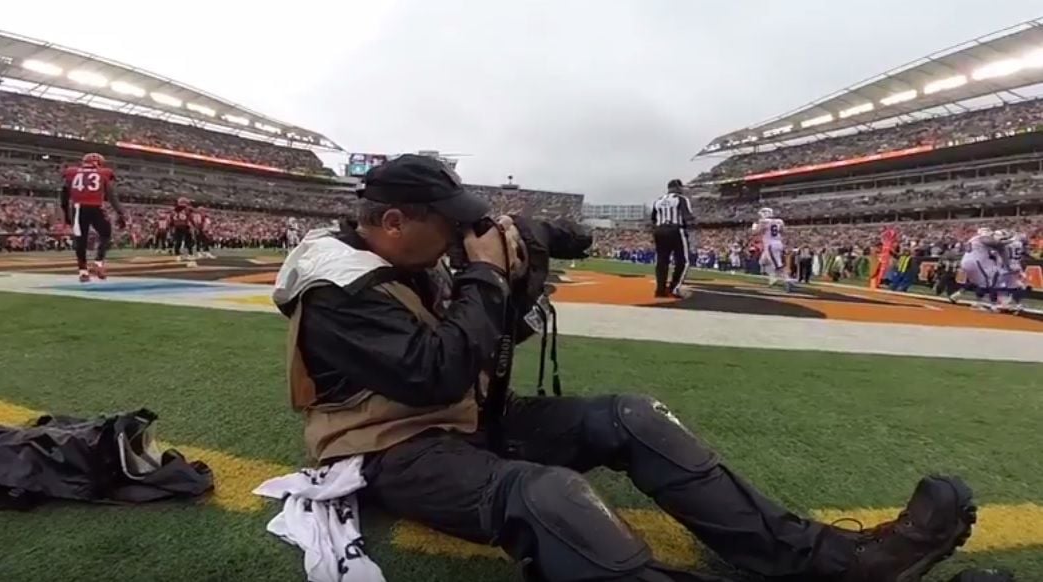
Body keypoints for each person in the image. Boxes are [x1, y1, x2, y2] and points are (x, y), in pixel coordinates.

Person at [272, 155, 976, 582]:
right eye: (450, 224)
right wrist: (486, 279)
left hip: (461, 421)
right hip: (389, 449)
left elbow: (484, 353)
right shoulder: (335, 282)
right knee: (547, 497)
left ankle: (828, 560)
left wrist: (515, 286)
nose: (464, 236)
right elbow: (433, 373)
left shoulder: (411, 257)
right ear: (392, 221)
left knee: (631, 417)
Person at [60, 153, 126, 282]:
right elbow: (111, 195)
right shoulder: (104, 173)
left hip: (78, 208)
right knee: (106, 234)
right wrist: (120, 213)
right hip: (96, 207)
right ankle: (98, 262)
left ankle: (83, 271)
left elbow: (64, 195)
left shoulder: (72, 172)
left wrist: (66, 214)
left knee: (81, 241)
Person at [650, 179, 695, 298]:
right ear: (678, 188)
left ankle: (660, 290)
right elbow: (687, 216)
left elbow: (653, 219)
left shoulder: (658, 200)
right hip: (675, 230)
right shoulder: (681, 199)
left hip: (659, 231)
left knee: (661, 261)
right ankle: (674, 288)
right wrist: (693, 219)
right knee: (683, 261)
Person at [751, 207, 794, 292]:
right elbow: (783, 231)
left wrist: (754, 227)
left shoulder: (763, 222)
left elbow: (755, 232)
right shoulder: (779, 221)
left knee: (778, 265)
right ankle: (773, 277)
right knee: (762, 262)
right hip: (778, 243)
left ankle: (787, 280)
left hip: (770, 245)